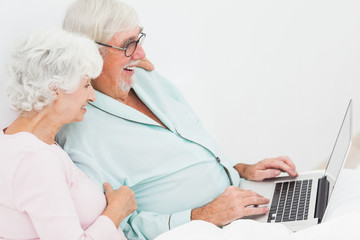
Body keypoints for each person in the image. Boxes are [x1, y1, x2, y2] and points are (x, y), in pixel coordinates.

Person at [56, 0, 298, 239]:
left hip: (242, 201)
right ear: (89, 54)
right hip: (199, 231)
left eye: (139, 39)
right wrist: (203, 215)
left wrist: (241, 169)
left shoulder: (147, 79)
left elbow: (195, 148)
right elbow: (121, 227)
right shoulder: (80, 131)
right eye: (128, 44)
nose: (141, 54)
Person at [0, 28, 137, 240]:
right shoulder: (34, 161)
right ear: (55, 88)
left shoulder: (22, 142)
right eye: (85, 85)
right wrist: (116, 212)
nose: (92, 96)